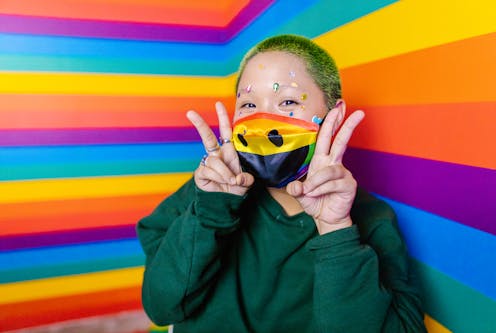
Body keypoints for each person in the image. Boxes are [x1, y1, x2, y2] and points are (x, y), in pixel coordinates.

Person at [137, 34, 427, 332]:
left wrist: (335, 231)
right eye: (248, 104)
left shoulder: (372, 221)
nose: (264, 121)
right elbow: (161, 307)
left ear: (334, 116)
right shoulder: (206, 193)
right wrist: (211, 213)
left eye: (287, 101)